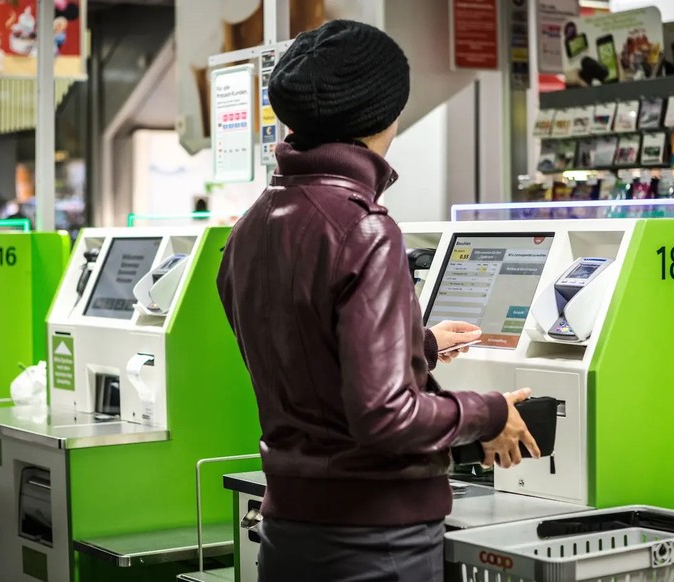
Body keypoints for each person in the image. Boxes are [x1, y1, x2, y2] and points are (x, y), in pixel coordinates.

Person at [216, 19, 539, 582]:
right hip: (374, 542)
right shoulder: (364, 230)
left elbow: (303, 354)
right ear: (386, 114)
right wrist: (489, 413)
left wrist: (419, 345)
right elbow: (385, 417)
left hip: (288, 535)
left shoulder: (251, 227)